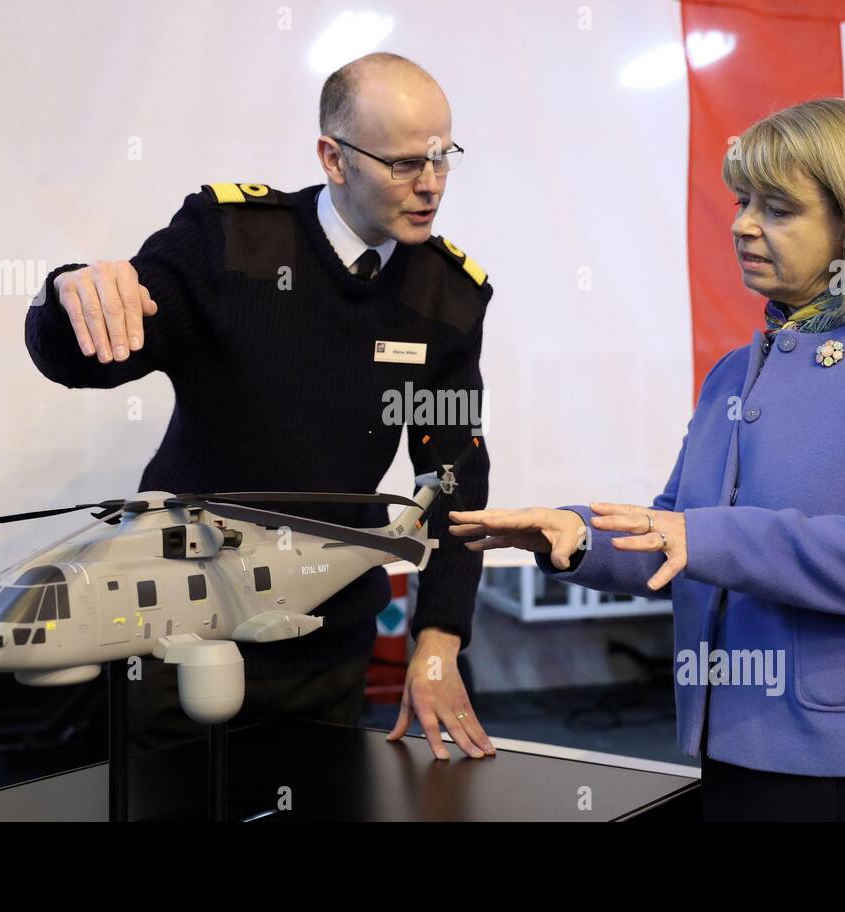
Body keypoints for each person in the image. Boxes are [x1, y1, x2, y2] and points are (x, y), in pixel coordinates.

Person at [449, 98, 845, 819]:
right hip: (748, 755)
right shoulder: (735, 371)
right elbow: (678, 531)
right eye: (742, 201)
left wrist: (708, 538)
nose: (741, 224)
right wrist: (576, 537)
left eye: (778, 207)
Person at [25, 53, 495, 761]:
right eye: (403, 164)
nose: (430, 184)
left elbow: (455, 474)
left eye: (441, 157)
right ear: (333, 159)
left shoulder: (445, 297)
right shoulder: (233, 244)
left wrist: (440, 637)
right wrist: (68, 297)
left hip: (326, 649)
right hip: (180, 637)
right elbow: (89, 357)